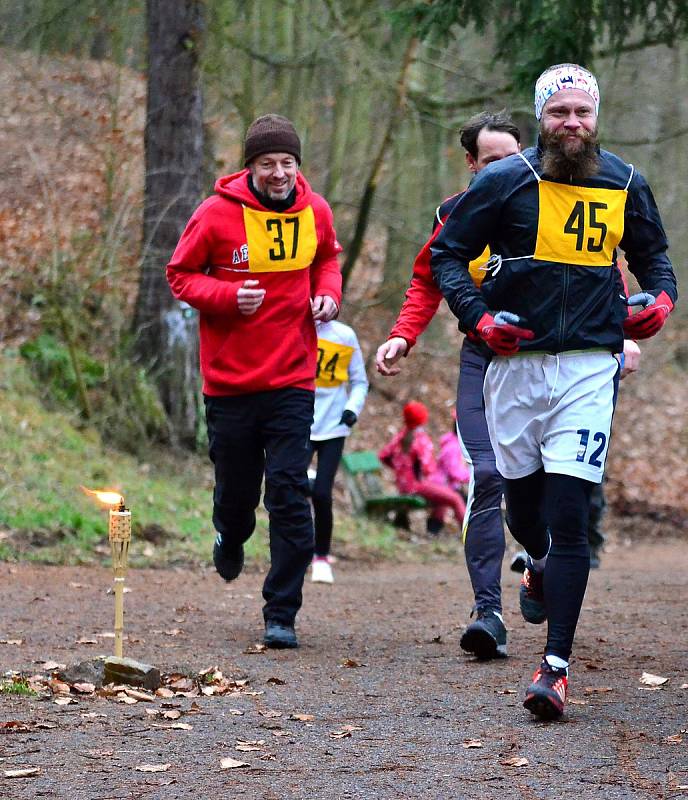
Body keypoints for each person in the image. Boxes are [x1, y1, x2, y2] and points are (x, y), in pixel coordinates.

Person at [431, 63, 677, 719]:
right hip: (515, 364)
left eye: (583, 113)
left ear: (597, 117)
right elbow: (445, 256)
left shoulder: (624, 181)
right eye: (560, 112)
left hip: (589, 366)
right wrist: (478, 317)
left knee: (570, 518)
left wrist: (662, 301)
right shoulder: (507, 182)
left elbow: (656, 260)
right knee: (523, 510)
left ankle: (555, 669)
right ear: (541, 116)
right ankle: (534, 559)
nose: (573, 124)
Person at [166, 114, 343, 649]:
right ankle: (230, 532)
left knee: (290, 492)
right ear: (251, 167)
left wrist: (329, 295)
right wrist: (225, 297)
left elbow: (328, 259)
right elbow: (180, 273)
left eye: (287, 162)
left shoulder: (316, 211)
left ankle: (282, 612)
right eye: (267, 163)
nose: (279, 172)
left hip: (292, 378)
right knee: (238, 494)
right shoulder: (216, 215)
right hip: (231, 384)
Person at [376, 110, 522, 660]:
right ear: (471, 164)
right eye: (491, 162)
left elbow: (598, 265)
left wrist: (622, 331)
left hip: (547, 361)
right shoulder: (454, 216)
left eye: (513, 160)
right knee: (485, 476)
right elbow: (426, 277)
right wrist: (402, 336)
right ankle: (488, 613)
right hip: (482, 358)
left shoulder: (555, 203)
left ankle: (540, 565)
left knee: (541, 486)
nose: (504, 171)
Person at [309, 318, 369, 584]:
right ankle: (293, 550)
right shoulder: (292, 326)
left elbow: (359, 381)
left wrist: (352, 410)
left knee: (322, 492)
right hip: (298, 423)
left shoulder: (344, 335)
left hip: (334, 425)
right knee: (289, 487)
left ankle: (321, 557)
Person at [379, 401, 466, 534]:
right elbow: (428, 469)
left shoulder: (400, 437)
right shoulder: (421, 440)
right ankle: (471, 533)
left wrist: (399, 470)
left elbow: (383, 456)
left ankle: (433, 530)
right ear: (422, 420)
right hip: (417, 486)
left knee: (444, 495)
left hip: (403, 486)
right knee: (455, 498)